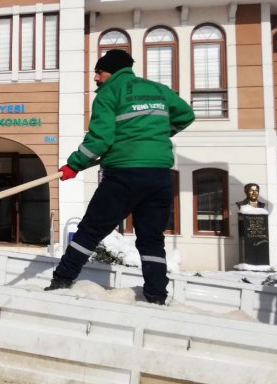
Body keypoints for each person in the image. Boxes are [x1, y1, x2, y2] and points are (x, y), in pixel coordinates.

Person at [46, 49, 195, 305]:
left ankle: (62, 281)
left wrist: (73, 165)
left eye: (99, 72)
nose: (95, 78)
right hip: (159, 177)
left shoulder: (109, 93)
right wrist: (156, 134)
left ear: (111, 72)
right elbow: (186, 114)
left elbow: (100, 140)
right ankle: (157, 295)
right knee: (151, 239)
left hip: (125, 175)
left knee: (90, 231)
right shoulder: (158, 90)